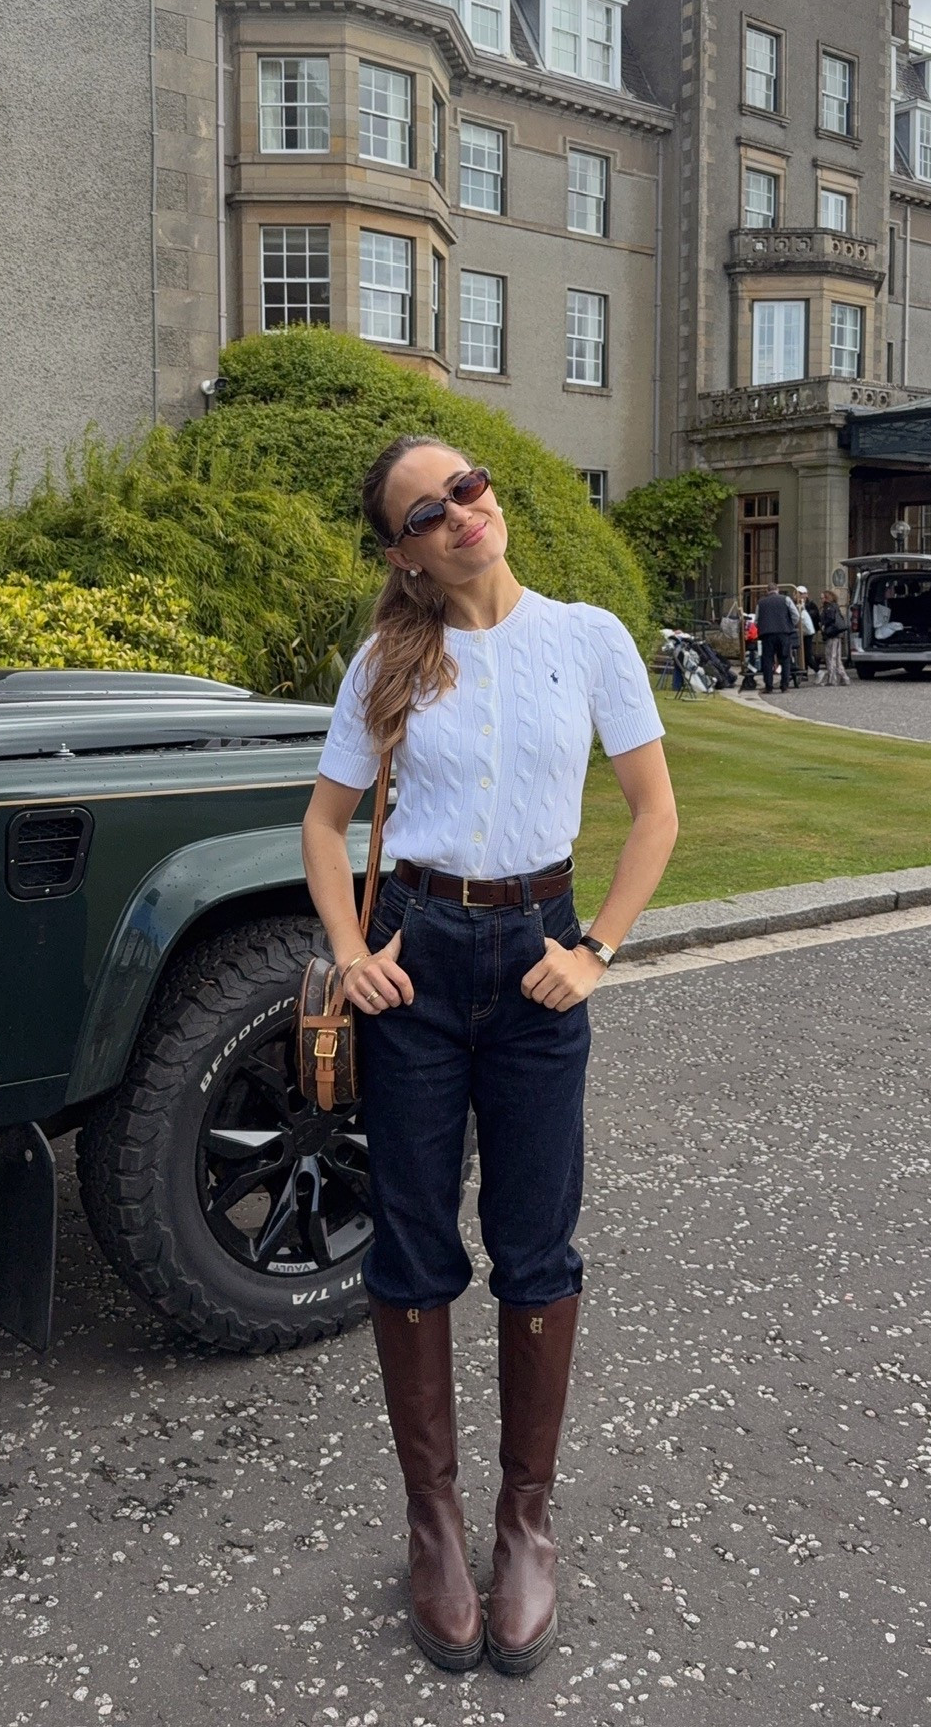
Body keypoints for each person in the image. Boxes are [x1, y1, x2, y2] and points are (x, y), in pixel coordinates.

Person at [301, 437, 679, 1679]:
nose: (467, 508)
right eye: (430, 508)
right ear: (403, 549)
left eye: (469, 485)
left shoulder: (588, 636)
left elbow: (654, 810)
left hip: (536, 956)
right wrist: (354, 950)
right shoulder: (388, 662)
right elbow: (324, 821)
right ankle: (434, 1524)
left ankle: (524, 1518)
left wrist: (600, 948)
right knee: (412, 1243)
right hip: (418, 958)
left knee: (536, 1239)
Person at [754, 582, 799, 694]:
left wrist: (762, 627)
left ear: (767, 591)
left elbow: (756, 620)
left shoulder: (761, 602)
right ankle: (784, 686)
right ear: (777, 590)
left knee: (767, 660)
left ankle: (769, 686)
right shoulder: (786, 599)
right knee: (785, 659)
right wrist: (790, 625)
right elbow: (796, 615)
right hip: (783, 633)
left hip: (767, 634)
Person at [817, 590, 851, 686]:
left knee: (830, 657)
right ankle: (844, 678)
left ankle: (832, 679)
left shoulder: (828, 608)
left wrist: (823, 625)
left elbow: (829, 619)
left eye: (822, 597)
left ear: (827, 598)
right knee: (837, 658)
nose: (821, 599)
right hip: (836, 635)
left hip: (831, 634)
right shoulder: (835, 606)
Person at [795, 586, 820, 677]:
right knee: (802, 652)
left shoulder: (810, 604)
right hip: (801, 631)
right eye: (800, 594)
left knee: (807, 653)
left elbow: (815, 616)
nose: (802, 596)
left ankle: (817, 671)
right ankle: (804, 672)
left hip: (808, 631)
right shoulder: (795, 603)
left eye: (803, 594)